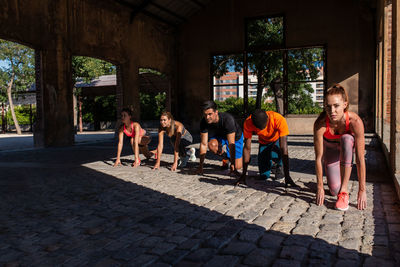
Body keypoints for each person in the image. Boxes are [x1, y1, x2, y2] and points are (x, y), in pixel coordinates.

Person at [313, 84, 366, 211]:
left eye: (336, 106)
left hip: (346, 152)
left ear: (345, 104)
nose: (332, 111)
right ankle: (338, 189)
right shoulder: (320, 124)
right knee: (333, 191)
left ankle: (344, 192)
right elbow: (319, 158)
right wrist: (320, 187)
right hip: (331, 154)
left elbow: (359, 158)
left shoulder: (355, 122)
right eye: (328, 106)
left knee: (347, 138)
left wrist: (362, 190)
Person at [237, 109, 298, 188]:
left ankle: (279, 166)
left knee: (276, 153)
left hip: (277, 140)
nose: (262, 130)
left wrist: (287, 176)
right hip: (263, 142)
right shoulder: (248, 122)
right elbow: (247, 148)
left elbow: (284, 148)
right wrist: (243, 175)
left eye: (263, 127)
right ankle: (270, 165)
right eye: (259, 128)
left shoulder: (278, 119)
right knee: (264, 176)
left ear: (268, 119)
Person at [196, 100, 243, 175]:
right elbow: (203, 144)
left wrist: (233, 164)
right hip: (220, 136)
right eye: (205, 115)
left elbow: (231, 143)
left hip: (235, 138)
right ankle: (226, 158)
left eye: (210, 114)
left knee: (238, 166)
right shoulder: (203, 122)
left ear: (216, 112)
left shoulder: (227, 119)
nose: (207, 117)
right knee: (211, 145)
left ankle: (233, 160)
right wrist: (200, 167)